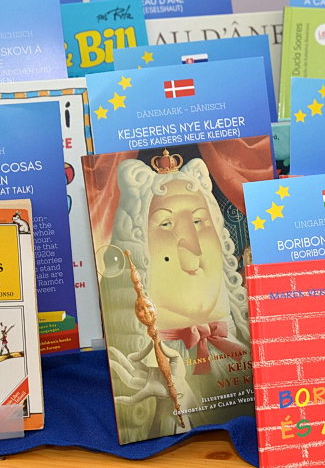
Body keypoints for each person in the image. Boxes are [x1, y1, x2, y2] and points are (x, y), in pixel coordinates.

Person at [100, 151, 252, 444]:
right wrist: (173, 399)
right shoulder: (147, 372)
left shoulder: (249, 347)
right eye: (166, 225)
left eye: (199, 221)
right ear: (139, 252)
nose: (193, 247)